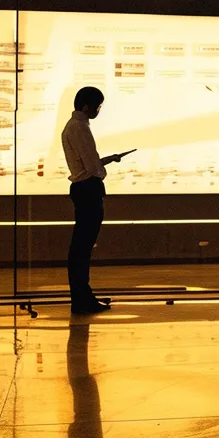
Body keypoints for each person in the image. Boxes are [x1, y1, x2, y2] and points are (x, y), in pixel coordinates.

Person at [61, 86, 129, 314]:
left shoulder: (73, 126)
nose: (98, 111)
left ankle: (82, 296)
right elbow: (91, 167)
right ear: (86, 106)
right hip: (88, 188)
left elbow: (87, 162)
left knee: (81, 247)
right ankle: (82, 298)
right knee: (82, 248)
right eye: (98, 106)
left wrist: (107, 160)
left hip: (83, 188)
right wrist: (102, 170)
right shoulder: (79, 127)